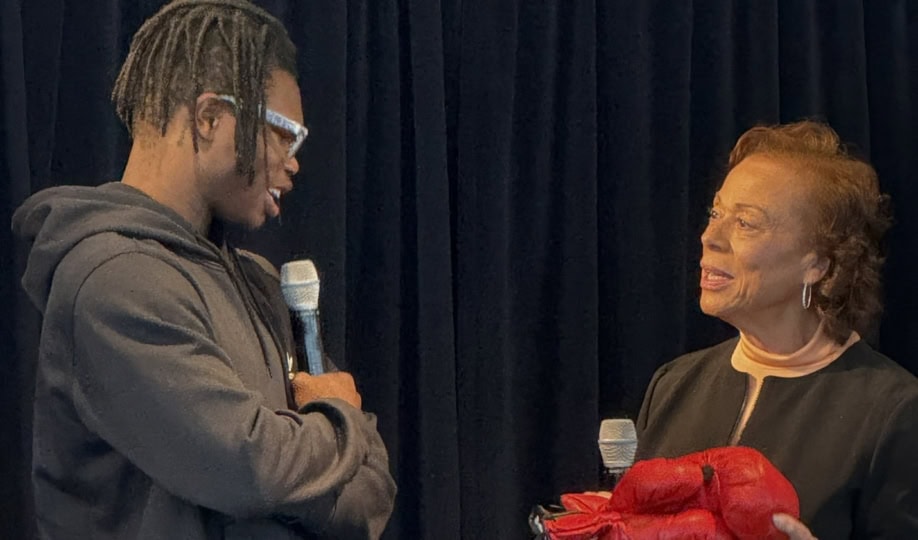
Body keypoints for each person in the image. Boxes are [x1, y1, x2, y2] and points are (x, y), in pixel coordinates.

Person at [12, 1, 396, 538]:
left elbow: (372, 489)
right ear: (210, 117)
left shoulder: (260, 282)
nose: (295, 160)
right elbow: (249, 466)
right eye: (286, 133)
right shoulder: (112, 280)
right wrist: (337, 419)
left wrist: (318, 450)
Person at [634, 120, 918, 538]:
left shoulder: (894, 412)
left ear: (818, 263)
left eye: (746, 223)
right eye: (716, 213)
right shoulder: (674, 385)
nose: (709, 237)